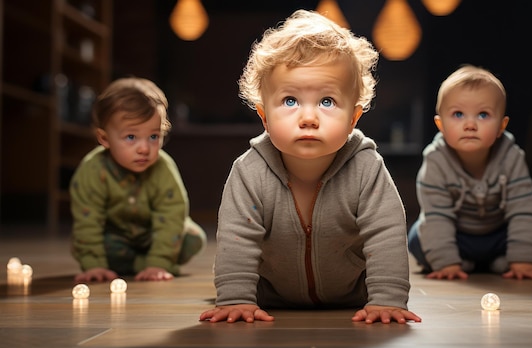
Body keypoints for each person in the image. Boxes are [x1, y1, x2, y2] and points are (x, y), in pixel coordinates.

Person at [199, 10, 421, 324]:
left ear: (353, 119)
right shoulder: (249, 172)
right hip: (269, 296)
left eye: (327, 101)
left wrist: (387, 299)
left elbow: (386, 234)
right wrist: (236, 298)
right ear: (264, 116)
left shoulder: (366, 168)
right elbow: (238, 237)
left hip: (353, 297)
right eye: (290, 101)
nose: (308, 117)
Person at [408, 65, 532, 281]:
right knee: (417, 236)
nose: (470, 124)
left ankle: (504, 260)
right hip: (457, 234)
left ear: (502, 126)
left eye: (483, 115)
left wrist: (522, 260)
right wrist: (447, 263)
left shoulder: (511, 157)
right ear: (440, 124)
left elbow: (522, 209)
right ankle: (460, 263)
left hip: (498, 233)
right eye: (458, 114)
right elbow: (437, 215)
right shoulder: (436, 160)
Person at [70, 77, 207, 283]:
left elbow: (172, 214)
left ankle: (148, 263)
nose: (144, 148)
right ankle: (134, 264)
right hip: (115, 236)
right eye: (131, 137)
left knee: (193, 238)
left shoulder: (163, 167)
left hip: (152, 234)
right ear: (104, 139)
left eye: (153, 136)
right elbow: (88, 221)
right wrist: (94, 265)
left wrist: (159, 262)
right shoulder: (92, 170)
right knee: (85, 242)